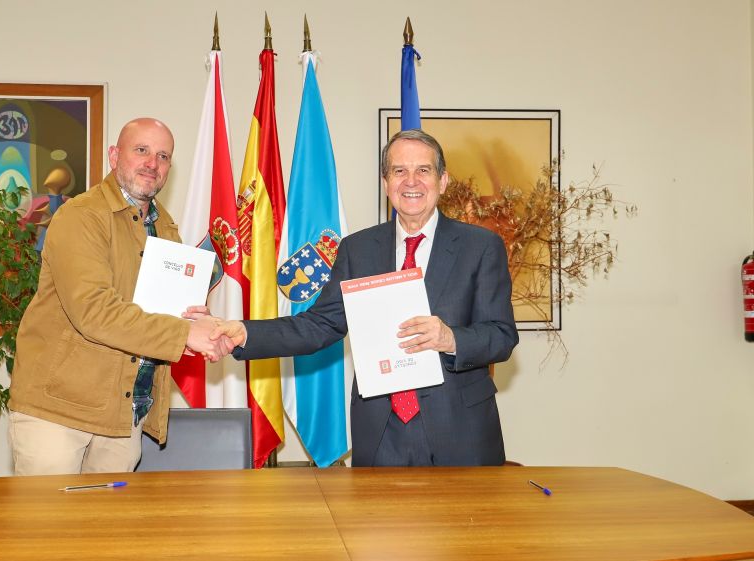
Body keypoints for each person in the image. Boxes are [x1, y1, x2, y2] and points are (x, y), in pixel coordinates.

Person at [203, 129, 518, 467]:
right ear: (386, 183)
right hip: (381, 432)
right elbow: (318, 325)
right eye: (399, 171)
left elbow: (501, 336)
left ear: (442, 181)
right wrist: (245, 332)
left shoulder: (480, 247)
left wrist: (450, 338)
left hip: (461, 431)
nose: (411, 181)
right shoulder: (358, 249)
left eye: (423, 170)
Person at [8, 117, 226, 475]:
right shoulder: (82, 216)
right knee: (49, 513)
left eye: (163, 156)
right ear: (114, 155)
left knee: (110, 514)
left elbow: (155, 313)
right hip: (60, 411)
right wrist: (183, 333)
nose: (152, 163)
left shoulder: (166, 228)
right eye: (141, 150)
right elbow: (94, 311)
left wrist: (194, 321)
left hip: (125, 411)